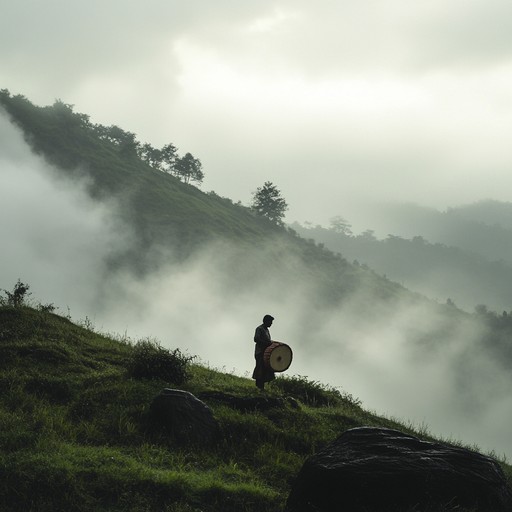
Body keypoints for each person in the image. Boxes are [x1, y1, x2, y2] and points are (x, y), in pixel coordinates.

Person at [252, 314, 275, 390]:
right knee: (260, 368)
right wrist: (267, 343)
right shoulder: (259, 329)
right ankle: (259, 386)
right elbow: (256, 339)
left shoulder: (266, 330)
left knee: (265, 370)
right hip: (260, 352)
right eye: (270, 322)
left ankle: (261, 387)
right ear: (266, 321)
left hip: (266, 352)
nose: (271, 324)